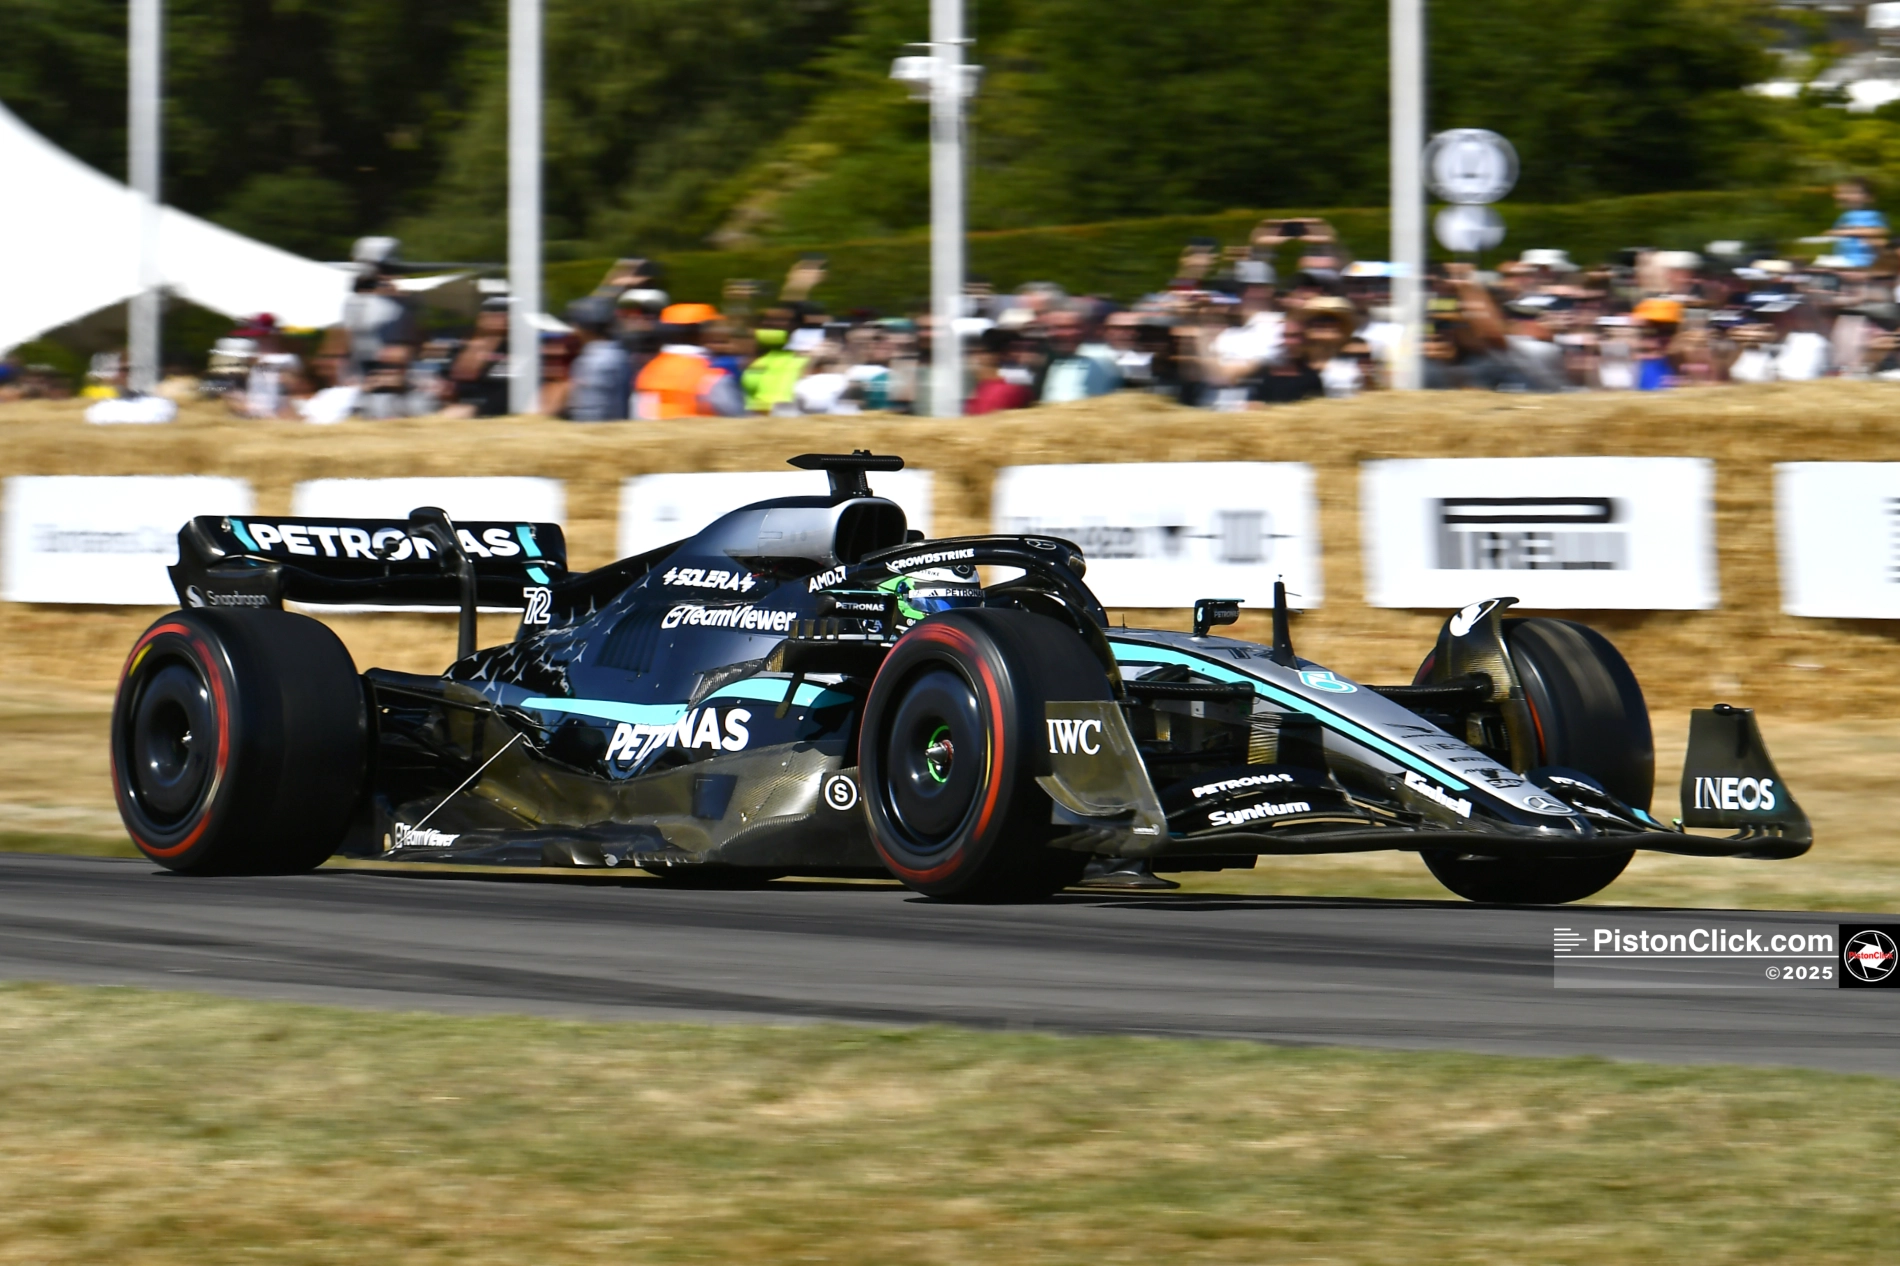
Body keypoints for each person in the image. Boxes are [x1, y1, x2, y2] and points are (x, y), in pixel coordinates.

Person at [633, 304, 748, 419]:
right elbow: (741, 424)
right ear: (702, 333)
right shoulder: (711, 376)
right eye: (713, 327)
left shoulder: (647, 372)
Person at [561, 297, 633, 421]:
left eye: (576, 325)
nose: (573, 331)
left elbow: (590, 411)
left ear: (586, 329)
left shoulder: (592, 361)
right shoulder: (621, 355)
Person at [1827, 178, 1889, 271]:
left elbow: (1880, 231)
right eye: (1841, 193)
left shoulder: (1871, 214)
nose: (1843, 196)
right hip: (1843, 260)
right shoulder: (1844, 216)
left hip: (1861, 262)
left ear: (1868, 198)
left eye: (1850, 193)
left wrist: (1846, 232)